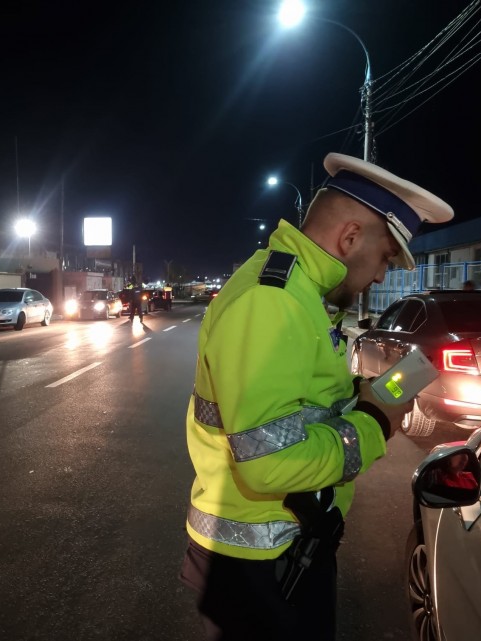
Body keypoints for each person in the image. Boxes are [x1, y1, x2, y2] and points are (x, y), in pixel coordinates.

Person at [179, 152, 454, 639]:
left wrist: (371, 394)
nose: (380, 277)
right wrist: (374, 422)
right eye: (386, 257)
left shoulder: (301, 293)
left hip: (276, 555)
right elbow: (269, 463)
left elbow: (299, 410)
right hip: (260, 566)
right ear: (350, 238)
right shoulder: (275, 301)